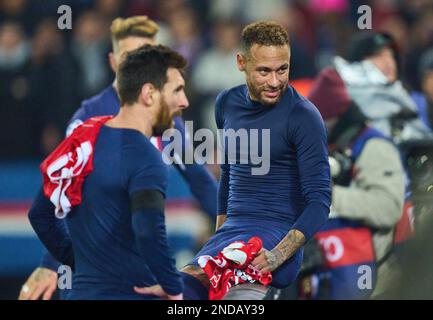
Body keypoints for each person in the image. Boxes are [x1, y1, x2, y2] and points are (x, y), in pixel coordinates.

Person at [19, 16, 217, 300]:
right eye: (132, 56)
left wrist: (233, 234)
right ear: (114, 62)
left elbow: (200, 181)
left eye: (147, 54)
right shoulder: (87, 120)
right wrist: (54, 263)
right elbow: (64, 197)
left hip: (134, 276)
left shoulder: (168, 119)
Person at [171, 21, 331, 300]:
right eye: (264, 71)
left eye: (283, 70)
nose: (274, 81)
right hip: (232, 235)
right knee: (179, 292)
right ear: (241, 63)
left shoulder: (304, 116)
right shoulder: (226, 104)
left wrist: (277, 256)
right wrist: (218, 236)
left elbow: (319, 201)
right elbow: (229, 172)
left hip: (274, 241)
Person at [306, 67, 405, 299]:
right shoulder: (330, 147)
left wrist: (331, 195)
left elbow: (388, 208)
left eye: (324, 120)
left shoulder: (373, 147)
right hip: (334, 277)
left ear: (337, 116)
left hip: (378, 281)